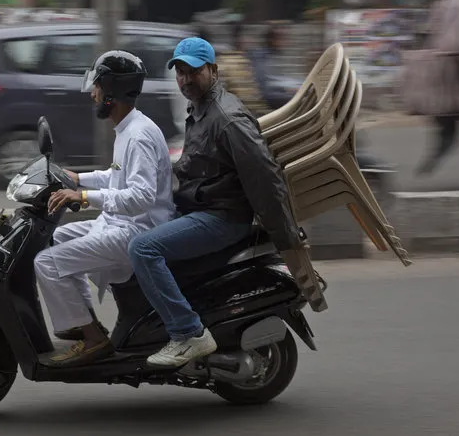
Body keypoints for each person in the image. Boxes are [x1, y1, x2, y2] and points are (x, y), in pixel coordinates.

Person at [127, 37, 306, 368]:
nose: (184, 79)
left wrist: (287, 237)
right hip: (200, 209)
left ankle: (188, 333)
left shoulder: (227, 117)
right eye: (180, 71)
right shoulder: (200, 109)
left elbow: (265, 178)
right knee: (126, 232)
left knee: (143, 249)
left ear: (212, 70)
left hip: (221, 217)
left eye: (193, 71)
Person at [34, 50, 175, 366]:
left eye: (96, 86)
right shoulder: (128, 127)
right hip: (119, 223)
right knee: (57, 240)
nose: (92, 93)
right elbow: (116, 175)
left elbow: (140, 197)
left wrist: (82, 197)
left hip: (137, 233)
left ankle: (95, 340)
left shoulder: (137, 135)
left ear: (111, 90)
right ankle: (85, 322)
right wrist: (77, 178)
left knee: (46, 263)